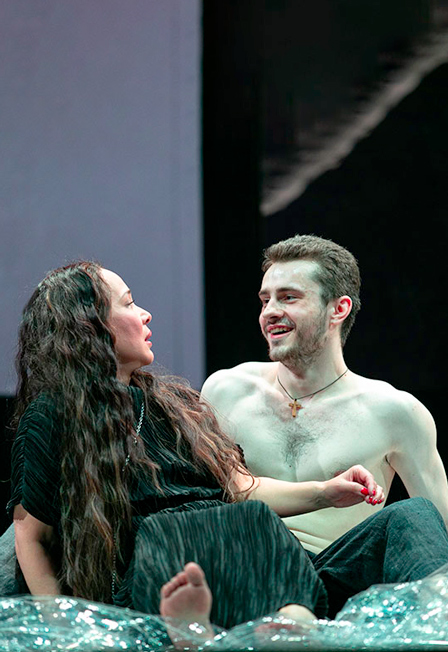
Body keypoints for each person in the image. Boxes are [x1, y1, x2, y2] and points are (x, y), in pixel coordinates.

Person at [8, 260, 391, 630]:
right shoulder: (53, 415)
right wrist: (66, 628)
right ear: (89, 325)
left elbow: (242, 488)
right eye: (128, 304)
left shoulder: (176, 405)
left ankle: (289, 624)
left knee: (403, 519)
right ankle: (217, 627)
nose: (145, 315)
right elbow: (31, 537)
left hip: (236, 562)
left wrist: (326, 492)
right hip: (157, 569)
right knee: (232, 522)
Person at [201, 233, 448, 614]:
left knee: (413, 515)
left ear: (338, 309)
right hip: (254, 572)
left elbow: (438, 534)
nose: (270, 312)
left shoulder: (395, 411)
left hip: (343, 579)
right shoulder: (225, 390)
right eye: (265, 300)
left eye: (289, 297)